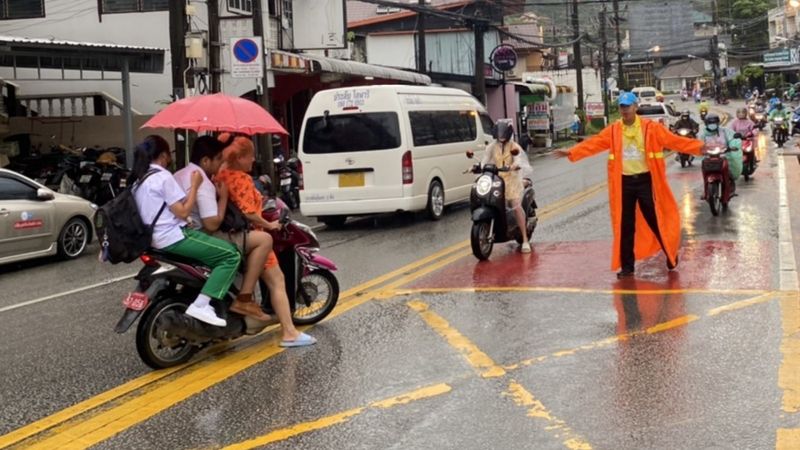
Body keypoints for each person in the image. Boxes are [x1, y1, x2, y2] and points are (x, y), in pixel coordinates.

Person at [554, 92, 703, 278]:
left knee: (655, 220)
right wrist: (571, 152)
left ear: (635, 107)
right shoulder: (615, 130)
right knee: (625, 226)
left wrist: (699, 147)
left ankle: (670, 254)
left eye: (627, 106)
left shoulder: (650, 128)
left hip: (646, 181)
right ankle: (627, 267)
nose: (624, 110)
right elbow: (595, 143)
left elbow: (674, 141)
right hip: (624, 184)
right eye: (622, 107)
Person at [129, 135, 241, 327]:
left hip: (151, 241)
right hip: (172, 238)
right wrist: (195, 186)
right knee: (231, 255)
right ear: (164, 155)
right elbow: (183, 211)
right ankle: (202, 304)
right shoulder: (163, 176)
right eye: (169, 156)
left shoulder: (139, 180)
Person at [216, 135, 317, 347]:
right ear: (240, 158)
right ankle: (289, 332)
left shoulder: (221, 174)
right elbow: (249, 212)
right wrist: (269, 225)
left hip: (232, 235)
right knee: (277, 282)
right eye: (250, 157)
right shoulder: (241, 179)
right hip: (253, 237)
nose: (253, 161)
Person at [174, 136, 274, 322]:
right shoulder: (202, 181)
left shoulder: (180, 173)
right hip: (202, 234)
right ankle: (244, 297)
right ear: (206, 160)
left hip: (179, 232)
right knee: (263, 240)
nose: (222, 163)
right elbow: (212, 224)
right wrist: (224, 198)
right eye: (219, 159)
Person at [481, 119, 533, 253]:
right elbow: (484, 161)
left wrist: (514, 165)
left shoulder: (513, 146)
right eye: (499, 134)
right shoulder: (491, 147)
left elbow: (518, 160)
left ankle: (525, 239)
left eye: (504, 134)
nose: (501, 136)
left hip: (511, 180)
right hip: (496, 179)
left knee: (515, 205)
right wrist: (477, 167)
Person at [697, 114, 742, 184]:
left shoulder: (724, 131)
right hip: (709, 157)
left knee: (729, 169)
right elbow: (698, 144)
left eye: (714, 123)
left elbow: (733, 138)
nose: (712, 125)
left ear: (717, 123)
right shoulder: (703, 135)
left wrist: (733, 146)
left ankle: (730, 181)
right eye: (710, 123)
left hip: (724, 155)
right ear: (706, 124)